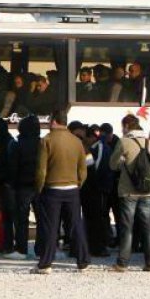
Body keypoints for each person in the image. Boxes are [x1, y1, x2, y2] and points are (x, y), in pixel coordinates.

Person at [30, 109, 90, 275]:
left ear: (54, 121)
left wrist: (39, 189)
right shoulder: (76, 141)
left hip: (52, 189)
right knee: (76, 225)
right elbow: (83, 170)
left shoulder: (46, 141)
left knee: (51, 227)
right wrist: (77, 184)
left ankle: (46, 263)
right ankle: (83, 261)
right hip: (72, 189)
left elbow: (41, 170)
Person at [108, 114, 150, 273]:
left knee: (127, 228)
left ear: (127, 126)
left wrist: (122, 160)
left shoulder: (124, 142)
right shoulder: (147, 141)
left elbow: (113, 165)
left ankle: (122, 263)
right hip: (146, 190)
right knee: (147, 227)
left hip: (128, 191)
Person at [5, 114, 40, 259]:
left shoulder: (17, 145)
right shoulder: (42, 143)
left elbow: (13, 167)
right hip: (39, 186)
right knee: (42, 219)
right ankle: (42, 248)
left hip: (23, 186)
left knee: (21, 219)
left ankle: (21, 249)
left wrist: (12, 184)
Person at [82, 124, 115, 257]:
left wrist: (93, 183)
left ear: (91, 137)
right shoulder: (96, 147)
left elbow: (97, 167)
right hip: (97, 187)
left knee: (98, 217)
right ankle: (96, 245)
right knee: (97, 217)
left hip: (98, 187)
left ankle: (100, 246)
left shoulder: (98, 147)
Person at [0, 118, 17, 255]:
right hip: (6, 185)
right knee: (8, 216)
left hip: (6, 185)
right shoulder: (8, 142)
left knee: (8, 216)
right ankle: (8, 244)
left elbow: (6, 166)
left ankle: (8, 245)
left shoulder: (5, 144)